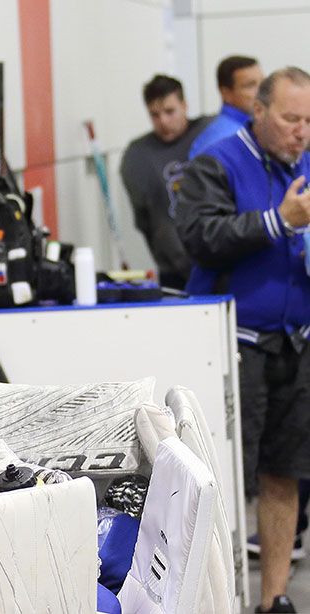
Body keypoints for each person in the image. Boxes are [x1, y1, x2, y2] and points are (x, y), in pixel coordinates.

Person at [176, 66, 310, 614]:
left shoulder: (307, 163)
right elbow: (200, 237)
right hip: (236, 348)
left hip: (297, 345)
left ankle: (274, 599)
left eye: (308, 121)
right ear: (258, 112)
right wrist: (278, 222)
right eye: (290, 118)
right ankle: (221, 600)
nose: (301, 132)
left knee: (286, 473)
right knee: (229, 480)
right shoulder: (218, 162)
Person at [120, 74, 211, 290]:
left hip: (218, 261)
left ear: (185, 105)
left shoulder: (209, 133)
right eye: (154, 115)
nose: (163, 121)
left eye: (170, 112)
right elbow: (145, 222)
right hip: (174, 271)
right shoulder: (138, 155)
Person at [189, 55, 263, 158]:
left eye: (263, 83)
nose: (261, 91)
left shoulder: (251, 128)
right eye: (250, 85)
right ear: (226, 93)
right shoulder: (228, 138)